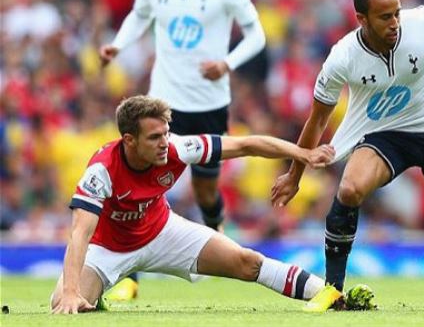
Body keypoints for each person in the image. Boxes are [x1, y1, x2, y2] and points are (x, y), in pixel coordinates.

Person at [271, 0, 424, 311]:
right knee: (350, 189)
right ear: (361, 19)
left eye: (396, 13)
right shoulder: (342, 57)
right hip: (385, 133)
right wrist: (295, 175)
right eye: (384, 17)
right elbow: (317, 120)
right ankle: (333, 288)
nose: (395, 23)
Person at [50, 95, 342, 314]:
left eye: (166, 133)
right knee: (63, 303)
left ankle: (333, 295)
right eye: (154, 137)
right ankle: (97, 290)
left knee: (247, 262)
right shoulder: (101, 171)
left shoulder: (178, 147)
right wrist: (72, 292)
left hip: (162, 232)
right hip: (108, 248)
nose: (164, 142)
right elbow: (79, 234)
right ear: (129, 140)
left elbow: (246, 145)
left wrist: (302, 154)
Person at [99, 0, 266, 299]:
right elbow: (139, 16)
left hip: (210, 103)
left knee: (206, 189)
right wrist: (118, 45)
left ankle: (219, 238)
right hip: (164, 101)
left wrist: (227, 63)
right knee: (135, 185)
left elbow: (257, 35)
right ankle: (128, 279)